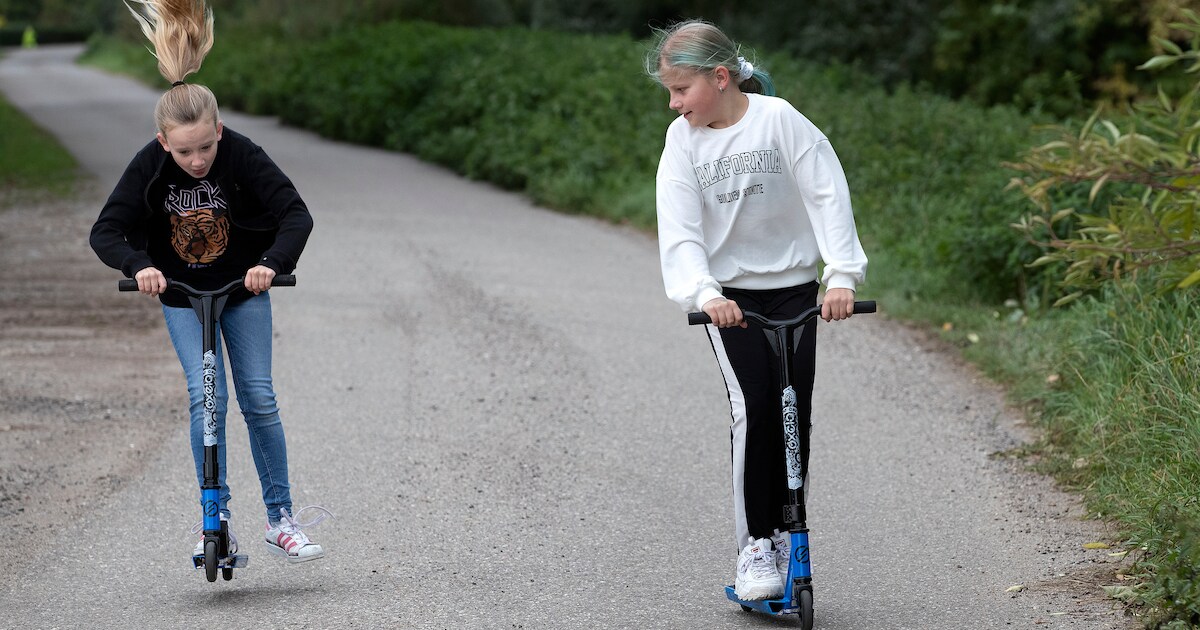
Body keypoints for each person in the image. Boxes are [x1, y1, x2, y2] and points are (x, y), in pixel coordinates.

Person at [90, 0, 328, 564]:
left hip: (242, 291)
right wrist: (138, 266)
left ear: (219, 130)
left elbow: (296, 214)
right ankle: (212, 516)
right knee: (206, 400)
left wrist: (271, 261)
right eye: (184, 150)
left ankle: (280, 519)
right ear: (162, 143)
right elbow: (107, 231)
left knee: (259, 399)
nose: (197, 160)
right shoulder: (149, 166)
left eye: (206, 146)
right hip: (182, 295)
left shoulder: (241, 153)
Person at [646, 19, 868, 601]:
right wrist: (704, 293)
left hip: (796, 291)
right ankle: (755, 546)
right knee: (756, 409)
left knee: (794, 411)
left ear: (720, 78)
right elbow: (680, 227)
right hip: (731, 301)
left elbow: (827, 192)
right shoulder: (682, 141)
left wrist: (840, 275)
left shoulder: (778, 120)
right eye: (669, 93)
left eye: (680, 89)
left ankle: (789, 528)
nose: (674, 104)